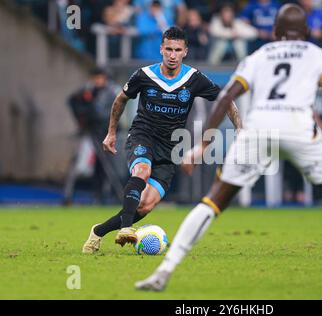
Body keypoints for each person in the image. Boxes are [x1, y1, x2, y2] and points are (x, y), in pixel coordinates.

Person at [135, 4, 322, 296]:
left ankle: (163, 272)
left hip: (258, 129)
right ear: (308, 32)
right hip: (298, 128)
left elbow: (226, 97)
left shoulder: (258, 56)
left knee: (213, 201)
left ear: (274, 32)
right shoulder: (321, 56)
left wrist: (202, 144)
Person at [82, 27, 242, 253]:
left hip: (171, 148)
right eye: (168, 49)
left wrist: (240, 129)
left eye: (178, 50)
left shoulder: (193, 79)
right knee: (142, 171)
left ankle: (98, 231)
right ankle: (126, 228)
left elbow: (226, 100)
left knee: (146, 205)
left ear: (185, 51)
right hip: (142, 135)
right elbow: (120, 100)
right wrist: (111, 132)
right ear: (161, 49)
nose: (173, 54)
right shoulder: (144, 75)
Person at [64, 67, 121, 205]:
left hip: (107, 132)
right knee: (86, 163)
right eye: (95, 77)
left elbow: (106, 113)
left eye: (100, 77)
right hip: (91, 131)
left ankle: (115, 195)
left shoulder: (112, 91)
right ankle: (73, 195)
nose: (97, 80)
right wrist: (83, 117)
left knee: (109, 165)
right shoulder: (88, 90)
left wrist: (90, 110)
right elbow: (72, 101)